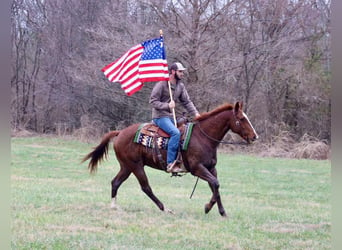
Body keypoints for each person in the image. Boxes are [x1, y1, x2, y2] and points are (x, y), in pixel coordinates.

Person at [149, 62, 200, 173]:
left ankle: (182, 160)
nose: (182, 74)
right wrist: (167, 105)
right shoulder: (162, 84)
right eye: (180, 71)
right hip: (159, 117)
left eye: (182, 71)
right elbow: (153, 101)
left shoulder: (180, 86)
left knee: (186, 131)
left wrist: (196, 113)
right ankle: (170, 163)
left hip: (171, 117)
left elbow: (187, 102)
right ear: (173, 72)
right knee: (175, 133)